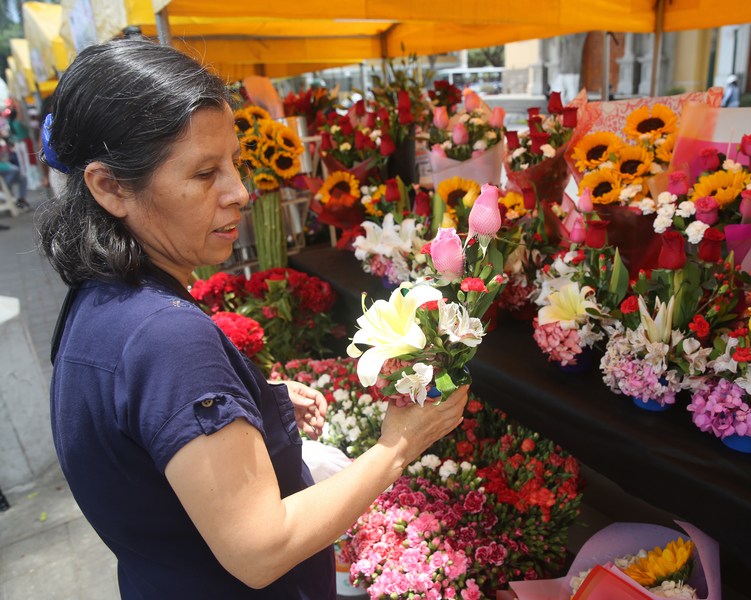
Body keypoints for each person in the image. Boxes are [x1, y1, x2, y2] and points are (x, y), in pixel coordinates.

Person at [37, 38, 467, 599]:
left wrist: (251, 404)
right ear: (110, 187)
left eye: (233, 163)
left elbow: (145, 435)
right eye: (203, 174)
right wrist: (400, 444)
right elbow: (261, 548)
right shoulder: (166, 336)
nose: (240, 191)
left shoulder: (99, 304)